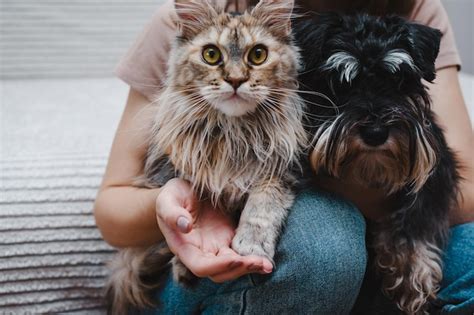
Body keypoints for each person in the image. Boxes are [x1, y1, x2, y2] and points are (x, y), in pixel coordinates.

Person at [94, 0, 474, 313]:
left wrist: (369, 180)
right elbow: (113, 209)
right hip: (209, 262)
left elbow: (467, 188)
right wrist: (190, 201)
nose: (237, 75)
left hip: (381, 231)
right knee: (325, 243)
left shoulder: (414, 8)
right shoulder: (195, 15)